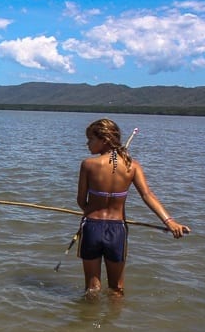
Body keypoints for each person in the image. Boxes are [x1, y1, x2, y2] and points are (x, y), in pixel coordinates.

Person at [77, 118, 189, 297]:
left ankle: (90, 321)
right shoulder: (132, 165)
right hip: (117, 230)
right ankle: (113, 321)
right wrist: (170, 222)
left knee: (92, 288)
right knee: (116, 289)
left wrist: (92, 209)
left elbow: (81, 201)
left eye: (91, 139)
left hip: (92, 228)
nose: (87, 143)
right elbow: (147, 196)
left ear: (104, 140)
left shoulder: (88, 164)